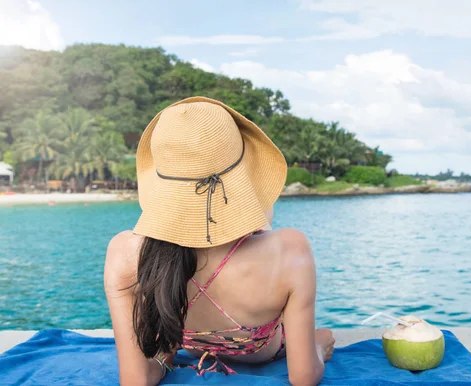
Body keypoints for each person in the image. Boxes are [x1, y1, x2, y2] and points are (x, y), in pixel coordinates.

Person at [104, 97, 335, 386]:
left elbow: (135, 381)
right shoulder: (290, 248)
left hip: (185, 342)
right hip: (262, 351)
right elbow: (304, 378)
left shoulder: (124, 252)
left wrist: (164, 358)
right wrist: (319, 345)